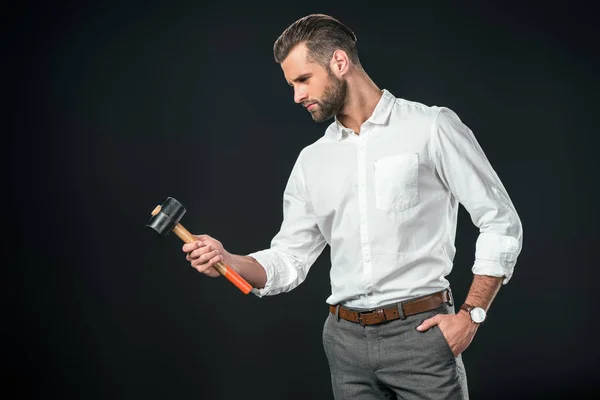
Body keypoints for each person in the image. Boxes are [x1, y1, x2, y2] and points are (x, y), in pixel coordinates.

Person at [182, 13, 523, 400]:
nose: (296, 95)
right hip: (344, 345)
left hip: (422, 337)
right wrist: (228, 259)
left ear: (339, 63)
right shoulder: (312, 160)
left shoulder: (431, 127)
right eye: (292, 84)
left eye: (303, 79)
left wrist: (472, 315)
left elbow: (500, 221)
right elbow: (289, 259)